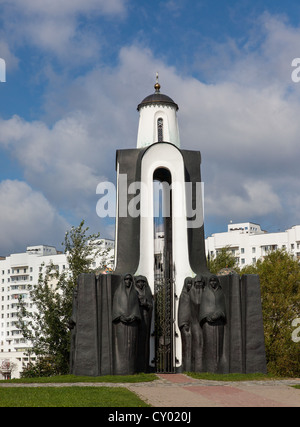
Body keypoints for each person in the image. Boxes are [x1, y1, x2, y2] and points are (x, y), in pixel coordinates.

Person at [112, 273, 141, 375]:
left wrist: (134, 315)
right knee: (121, 346)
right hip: (121, 324)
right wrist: (120, 316)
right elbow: (116, 306)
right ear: (123, 281)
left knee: (131, 346)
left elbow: (136, 307)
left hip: (132, 324)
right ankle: (120, 369)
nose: (128, 281)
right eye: (126, 279)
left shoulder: (134, 293)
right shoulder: (118, 293)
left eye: (129, 280)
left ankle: (131, 369)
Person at [199, 275, 226, 373]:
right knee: (209, 344)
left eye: (215, 281)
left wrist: (220, 314)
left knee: (219, 345)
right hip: (208, 324)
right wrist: (206, 316)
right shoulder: (205, 293)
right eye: (211, 281)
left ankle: (219, 368)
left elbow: (223, 306)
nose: (213, 283)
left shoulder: (220, 292)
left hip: (219, 322)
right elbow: (203, 307)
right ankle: (209, 368)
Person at [134, 275, 153, 372]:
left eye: (142, 282)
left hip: (145, 316)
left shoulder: (147, 291)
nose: (140, 284)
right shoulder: (134, 291)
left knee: (144, 340)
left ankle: (144, 366)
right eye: (138, 282)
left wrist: (146, 303)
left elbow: (150, 305)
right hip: (137, 317)